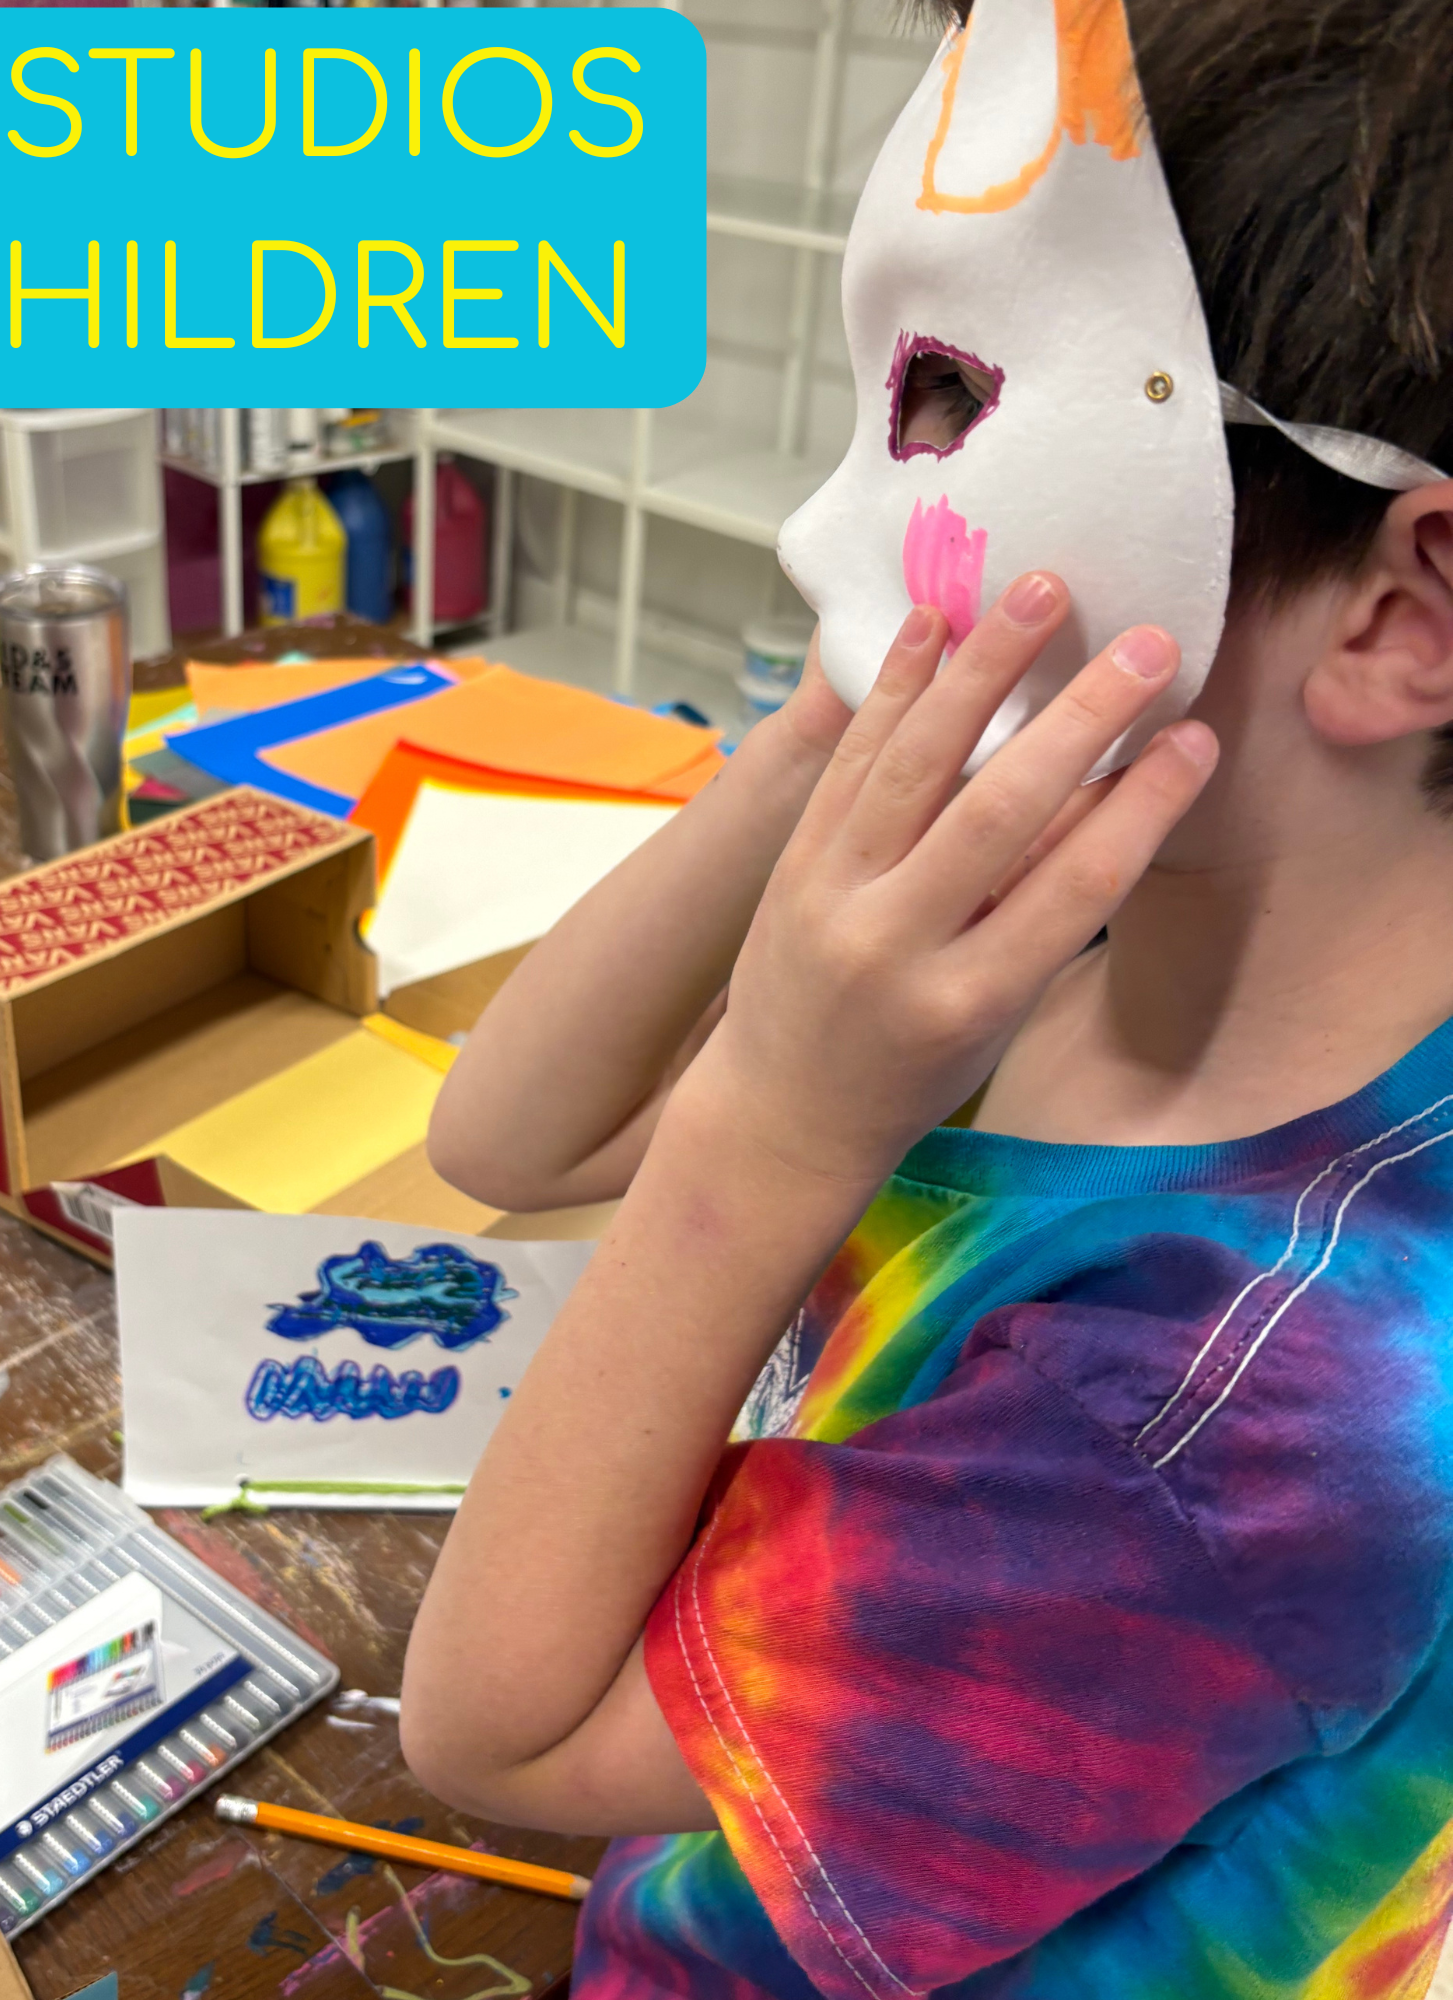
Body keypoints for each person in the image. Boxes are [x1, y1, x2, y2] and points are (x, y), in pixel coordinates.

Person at [397, 1, 1453, 1994]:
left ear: (1403, 610)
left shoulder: (1232, 1409)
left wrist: (778, 1126)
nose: (841, 512)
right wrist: (836, 694)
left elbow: (493, 1735)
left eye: (971, 415)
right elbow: (503, 1135)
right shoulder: (1102, 927)